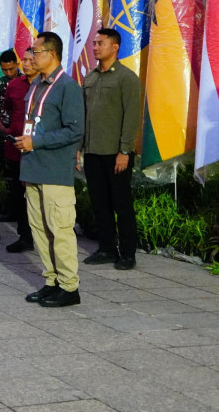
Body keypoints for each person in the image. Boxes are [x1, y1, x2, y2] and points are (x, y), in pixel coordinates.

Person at [16, 31, 84, 307]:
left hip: (55, 170)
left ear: (51, 54)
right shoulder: (37, 86)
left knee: (60, 228)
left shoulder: (67, 87)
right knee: (40, 229)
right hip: (33, 167)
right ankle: (51, 281)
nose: (31, 56)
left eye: (36, 51)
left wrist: (37, 141)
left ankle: (69, 287)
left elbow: (74, 131)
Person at [82, 29, 143, 270]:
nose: (95, 47)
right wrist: (80, 148)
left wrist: (124, 151)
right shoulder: (91, 77)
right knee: (100, 203)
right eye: (94, 43)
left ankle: (128, 253)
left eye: (101, 43)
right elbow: (85, 116)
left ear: (115, 47)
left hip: (115, 153)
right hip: (92, 150)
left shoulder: (126, 78)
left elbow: (131, 116)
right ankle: (106, 248)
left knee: (121, 204)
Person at [0, 48, 38, 252]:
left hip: (40, 149)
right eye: (25, 60)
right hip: (16, 146)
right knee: (19, 195)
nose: (26, 63)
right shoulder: (13, 85)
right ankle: (25, 237)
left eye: (31, 59)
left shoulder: (49, 85)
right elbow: (9, 109)